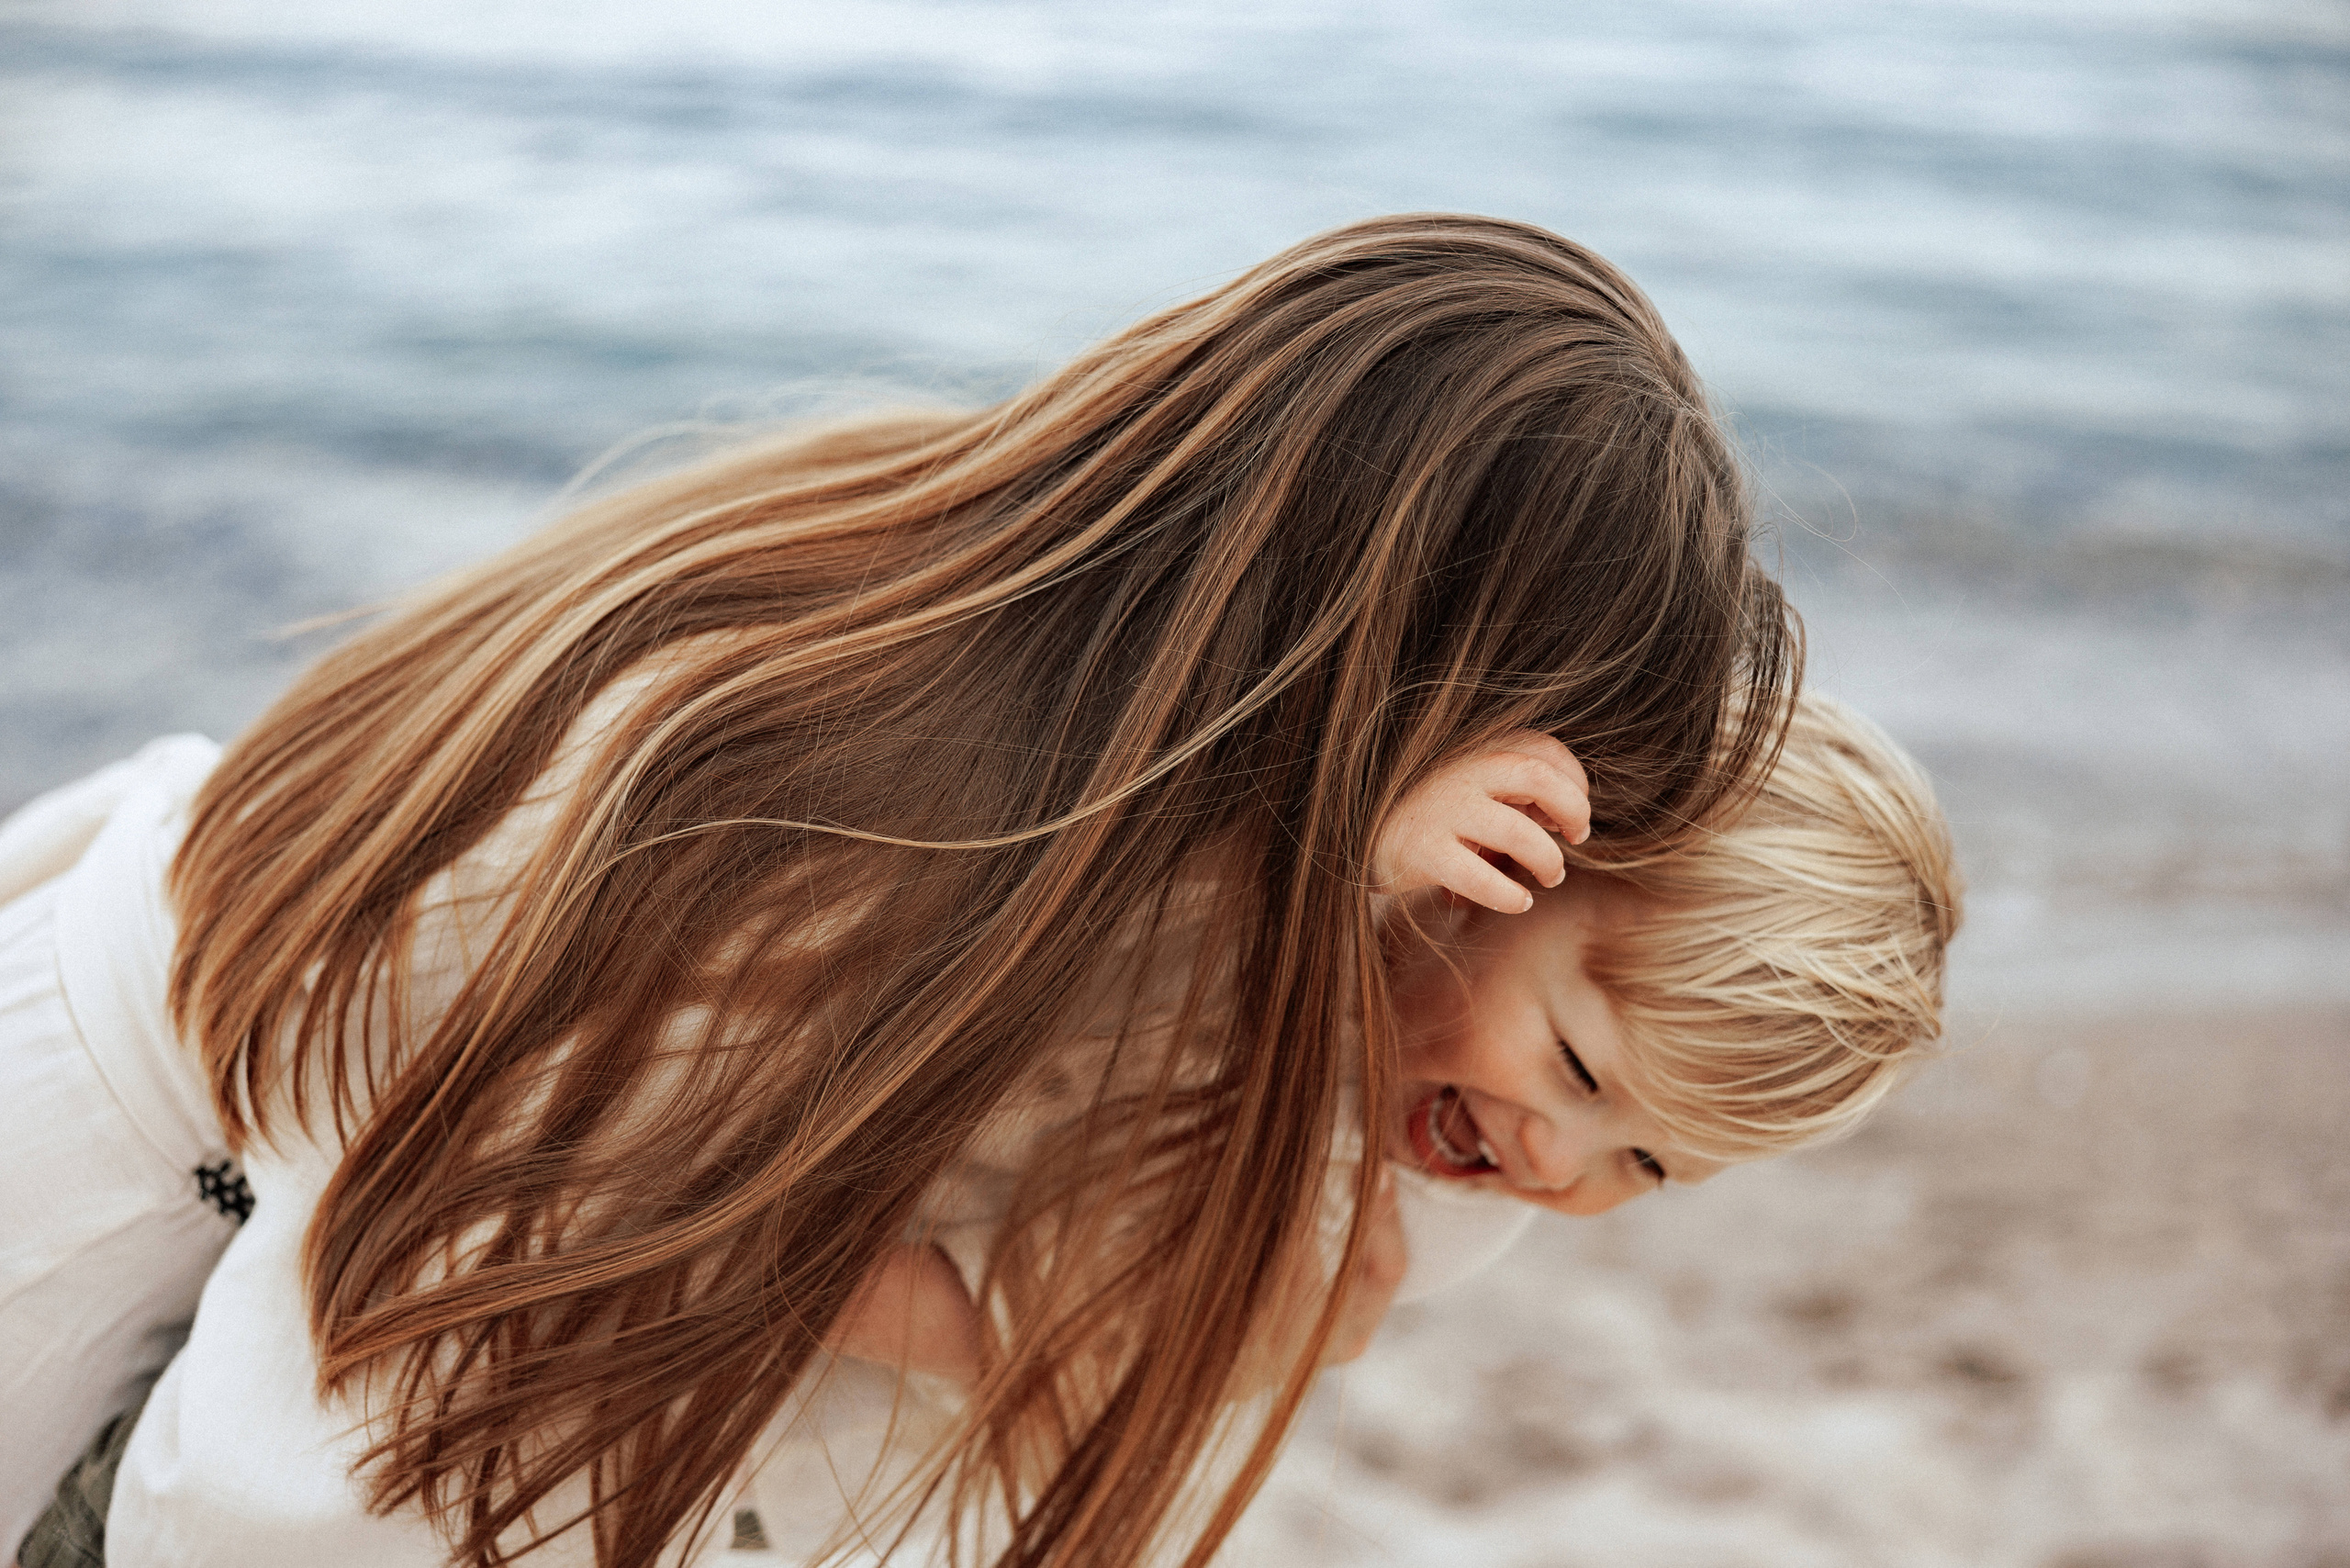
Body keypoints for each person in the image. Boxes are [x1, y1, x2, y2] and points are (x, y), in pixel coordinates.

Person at [0, 212, 1797, 1568]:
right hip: (115, 1121)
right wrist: (1341, 835)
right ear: (1364, 670)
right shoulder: (865, 808)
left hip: (236, 1080)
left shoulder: (958, 583)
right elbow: (354, 1417)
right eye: (1507, 795)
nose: (1470, 881)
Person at [765, 687, 1961, 1561]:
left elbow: (1011, 1334)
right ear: (1502, 862)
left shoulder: (1371, 1221)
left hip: (850, 1375)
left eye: (1648, 1164)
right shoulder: (1309, 877)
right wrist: (1361, 832)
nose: (1553, 1162)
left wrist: (754, 1272)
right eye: (1578, 1072)